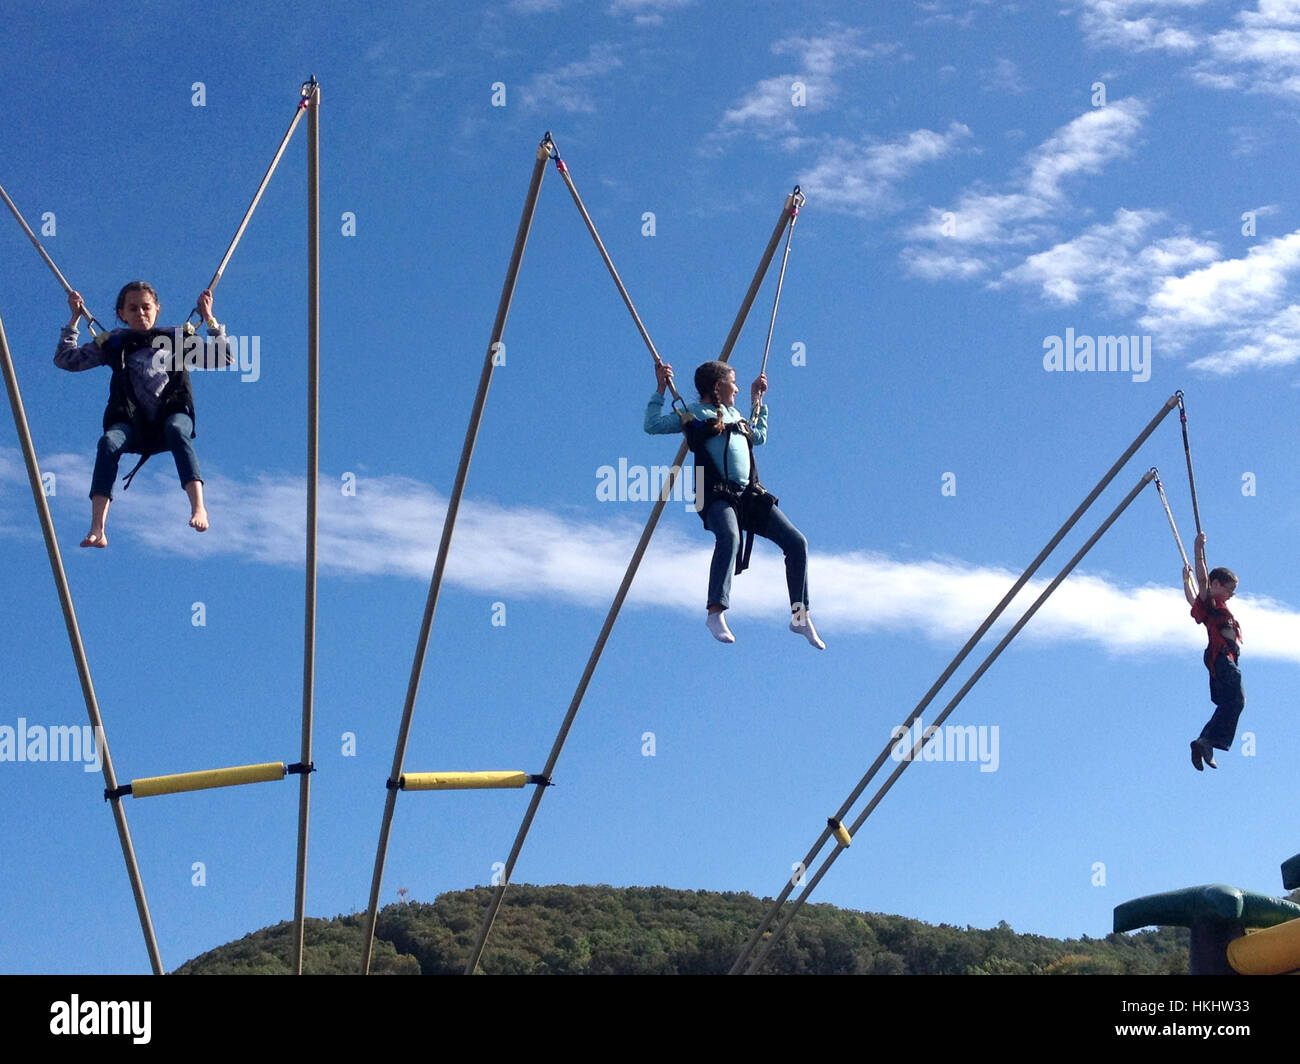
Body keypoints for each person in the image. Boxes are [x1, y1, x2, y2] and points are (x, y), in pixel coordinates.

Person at [644, 359, 823, 648]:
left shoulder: (738, 416)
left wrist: (758, 401)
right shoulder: (693, 414)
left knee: (797, 542)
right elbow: (651, 425)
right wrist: (661, 390)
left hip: (748, 495)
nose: (737, 388)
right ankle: (715, 611)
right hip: (714, 494)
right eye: (733, 383)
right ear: (718, 386)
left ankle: (800, 617)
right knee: (729, 536)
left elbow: (759, 437)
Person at [55, 281, 230, 548]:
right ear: (122, 313)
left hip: (171, 414)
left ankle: (199, 508)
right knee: (108, 443)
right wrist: (74, 320)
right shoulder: (114, 342)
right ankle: (97, 528)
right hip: (130, 422)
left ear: (157, 310)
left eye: (146, 307)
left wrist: (209, 319)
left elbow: (223, 356)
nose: (140, 313)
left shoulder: (177, 338)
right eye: (133, 308)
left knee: (177, 430)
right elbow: (66, 360)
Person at [1182, 531, 1244, 771]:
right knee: (1237, 700)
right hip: (1221, 659)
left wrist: (1185, 581)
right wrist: (1198, 550)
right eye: (1229, 589)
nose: (1231, 594)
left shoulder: (1214, 606)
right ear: (1216, 584)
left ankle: (1203, 742)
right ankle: (1209, 741)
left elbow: (1190, 599)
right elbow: (1203, 580)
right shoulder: (1210, 600)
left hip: (1221, 661)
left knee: (1229, 703)